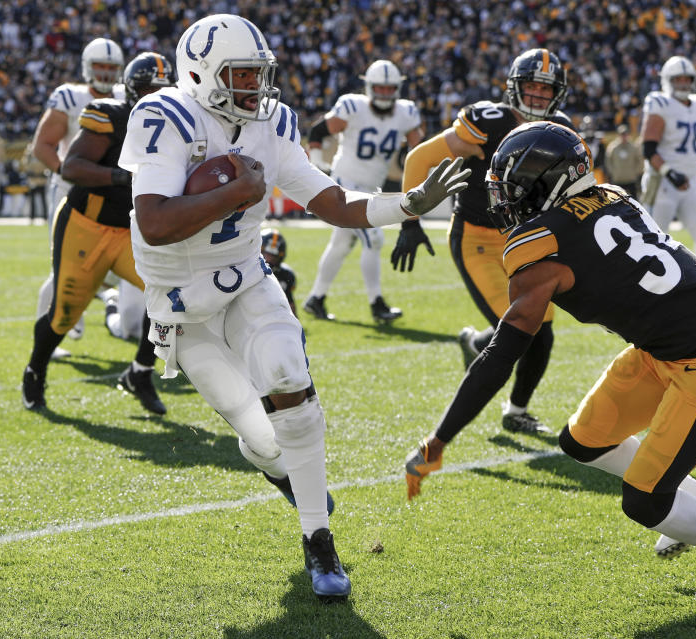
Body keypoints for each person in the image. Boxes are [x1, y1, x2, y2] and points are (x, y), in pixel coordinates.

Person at [119, 14, 468, 602]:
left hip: (248, 276)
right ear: (202, 74)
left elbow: (330, 198)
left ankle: (319, 538)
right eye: (241, 75)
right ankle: (281, 469)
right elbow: (153, 223)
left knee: (291, 385)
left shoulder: (271, 120)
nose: (256, 88)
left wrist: (406, 204)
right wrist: (235, 191)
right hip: (180, 301)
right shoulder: (164, 115)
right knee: (263, 441)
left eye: (260, 74)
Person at [406, 121, 696, 600]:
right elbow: (663, 255)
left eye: (516, 186)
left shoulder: (538, 250)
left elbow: (499, 357)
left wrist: (439, 439)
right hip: (661, 348)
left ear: (552, 182)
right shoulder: (611, 194)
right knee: (584, 441)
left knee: (644, 500)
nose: (507, 198)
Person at [393, 48, 573, 434]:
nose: (539, 96)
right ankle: (496, 388)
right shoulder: (488, 122)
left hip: (524, 238)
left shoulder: (561, 128)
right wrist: (409, 220)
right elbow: (419, 158)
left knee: (542, 327)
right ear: (513, 86)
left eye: (547, 89)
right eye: (531, 86)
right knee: (526, 327)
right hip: (476, 237)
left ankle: (515, 409)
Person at [21, 52, 176, 416]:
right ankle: (35, 369)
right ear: (133, 89)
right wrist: (124, 177)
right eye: (149, 89)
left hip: (130, 231)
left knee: (169, 297)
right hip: (86, 226)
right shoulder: (108, 113)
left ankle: (140, 372)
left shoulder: (178, 125)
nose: (157, 97)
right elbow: (72, 167)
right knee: (63, 314)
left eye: (164, 90)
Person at [301, 60, 424, 324]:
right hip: (346, 183)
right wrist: (318, 161)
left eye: (389, 89)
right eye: (379, 87)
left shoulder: (406, 112)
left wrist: (410, 157)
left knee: (341, 244)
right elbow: (318, 130)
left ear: (397, 89)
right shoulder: (352, 106)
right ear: (369, 87)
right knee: (374, 239)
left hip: (371, 186)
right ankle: (377, 303)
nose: (384, 93)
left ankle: (315, 299)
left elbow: (417, 149)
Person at [31, 37, 127, 341]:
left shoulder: (127, 95)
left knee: (114, 260)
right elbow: (42, 146)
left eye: (110, 67)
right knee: (63, 264)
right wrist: (70, 173)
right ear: (87, 66)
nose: (105, 72)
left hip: (114, 192)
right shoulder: (70, 97)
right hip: (70, 191)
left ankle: (111, 304)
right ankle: (47, 330)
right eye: (99, 65)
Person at [639, 55, 696, 277]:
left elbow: (695, 147)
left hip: (691, 180)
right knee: (654, 240)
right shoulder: (659, 102)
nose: (683, 83)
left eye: (686, 79)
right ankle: (648, 290)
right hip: (663, 180)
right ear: (667, 80)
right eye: (678, 79)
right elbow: (648, 148)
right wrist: (670, 173)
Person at [261, 228, 297, 315]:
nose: (268, 260)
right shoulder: (246, 271)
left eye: (273, 256)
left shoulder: (286, 275)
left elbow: (290, 305)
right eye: (265, 254)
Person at [604, 123, 643, 198]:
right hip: (618, 179)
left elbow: (639, 160)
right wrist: (613, 172)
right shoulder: (613, 147)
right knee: (617, 200)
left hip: (631, 179)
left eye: (625, 134)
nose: (624, 136)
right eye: (622, 134)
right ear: (618, 135)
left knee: (634, 201)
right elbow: (608, 161)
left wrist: (636, 172)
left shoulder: (633, 147)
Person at [21, 142, 49, 223]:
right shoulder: (29, 152)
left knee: (43, 199)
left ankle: (45, 217)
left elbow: (46, 163)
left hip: (41, 179)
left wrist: (42, 171)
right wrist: (31, 171)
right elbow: (25, 163)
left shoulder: (42, 150)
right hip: (32, 179)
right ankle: (32, 217)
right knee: (32, 199)